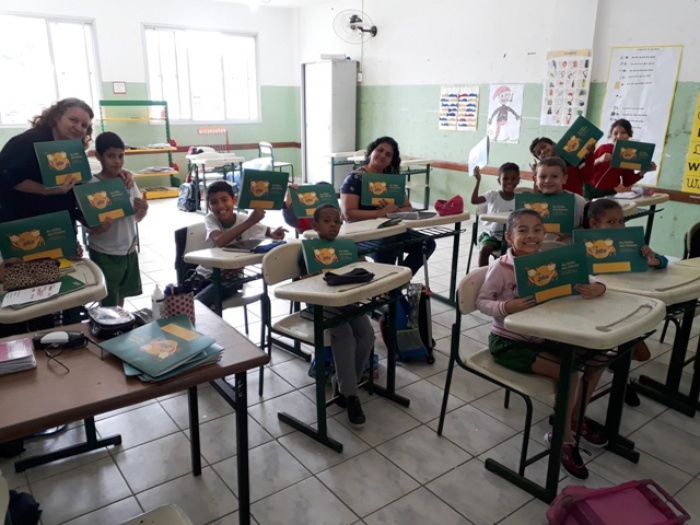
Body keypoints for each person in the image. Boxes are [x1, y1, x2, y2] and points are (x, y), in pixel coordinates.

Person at [476, 208, 608, 479]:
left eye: (537, 229)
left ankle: (573, 418)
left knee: (597, 358)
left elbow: (584, 276)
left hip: (544, 336)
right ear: (509, 237)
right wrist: (506, 307)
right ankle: (562, 438)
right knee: (570, 372)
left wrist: (598, 286)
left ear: (544, 234)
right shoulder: (501, 267)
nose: (531, 235)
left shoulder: (548, 261)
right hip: (508, 343)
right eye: (522, 230)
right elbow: (481, 302)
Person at [583, 197, 668, 406]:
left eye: (621, 221)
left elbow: (663, 262)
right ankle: (620, 377)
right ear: (594, 224)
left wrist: (653, 259)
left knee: (643, 354)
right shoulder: (583, 246)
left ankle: (617, 368)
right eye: (611, 222)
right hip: (595, 310)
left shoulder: (630, 243)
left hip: (624, 304)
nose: (618, 226)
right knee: (617, 352)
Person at [0, 97, 134, 223]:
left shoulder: (73, 148)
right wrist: (48, 190)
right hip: (26, 221)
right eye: (73, 120)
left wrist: (115, 173)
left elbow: (79, 181)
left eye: (84, 125)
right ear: (57, 117)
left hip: (60, 223)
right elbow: (8, 177)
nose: (78, 127)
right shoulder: (27, 141)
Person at [299, 204, 373, 427]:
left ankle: (343, 384)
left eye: (337, 221)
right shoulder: (308, 250)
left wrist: (361, 262)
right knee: (346, 338)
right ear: (315, 225)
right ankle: (350, 395)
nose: (333, 225)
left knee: (367, 335)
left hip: (347, 300)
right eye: (327, 221)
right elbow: (302, 283)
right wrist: (311, 275)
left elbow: (363, 268)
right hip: (322, 303)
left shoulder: (345, 247)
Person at [339, 136, 436, 276]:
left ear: (391, 160)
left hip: (390, 230)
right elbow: (348, 214)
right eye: (380, 150)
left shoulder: (391, 180)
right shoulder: (355, 178)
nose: (383, 155)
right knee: (387, 247)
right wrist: (379, 213)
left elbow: (408, 207)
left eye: (388, 154)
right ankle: (389, 283)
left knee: (427, 243)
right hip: (361, 234)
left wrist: (394, 211)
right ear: (371, 151)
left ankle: (400, 279)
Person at [195, 181, 286, 310]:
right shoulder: (211, 219)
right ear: (209, 206)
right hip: (204, 275)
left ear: (234, 200)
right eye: (214, 202)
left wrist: (274, 234)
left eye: (224, 200)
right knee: (182, 299)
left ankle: (195, 314)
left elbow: (267, 231)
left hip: (231, 279)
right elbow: (220, 241)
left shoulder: (243, 219)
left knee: (197, 304)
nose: (220, 205)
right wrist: (251, 221)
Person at [86, 132, 149, 307]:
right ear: (98, 156)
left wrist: (144, 209)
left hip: (128, 249)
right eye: (111, 156)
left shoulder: (128, 182)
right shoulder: (90, 185)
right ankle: (110, 323)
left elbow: (137, 218)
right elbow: (88, 224)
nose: (117, 161)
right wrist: (100, 227)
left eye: (120, 156)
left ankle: (120, 320)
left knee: (122, 294)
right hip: (104, 251)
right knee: (108, 299)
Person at [585, 119, 657, 200]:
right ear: (611, 135)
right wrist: (599, 160)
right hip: (588, 189)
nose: (619, 136)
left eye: (623, 132)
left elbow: (627, 182)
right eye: (615, 133)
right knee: (584, 207)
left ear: (629, 135)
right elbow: (586, 169)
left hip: (608, 192)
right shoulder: (603, 148)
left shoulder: (630, 155)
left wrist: (644, 171)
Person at [470, 163, 520, 267]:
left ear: (518, 181)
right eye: (505, 179)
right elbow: (474, 200)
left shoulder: (520, 198)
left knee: (521, 251)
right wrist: (478, 181)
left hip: (511, 236)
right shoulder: (493, 195)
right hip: (491, 235)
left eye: (513, 178)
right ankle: (484, 273)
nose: (509, 182)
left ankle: (510, 274)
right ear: (499, 181)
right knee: (484, 250)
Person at [535, 156, 587, 243]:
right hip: (539, 249)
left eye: (554, 176)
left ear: (564, 179)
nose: (548, 180)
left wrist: (569, 234)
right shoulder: (530, 204)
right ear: (535, 179)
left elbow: (587, 226)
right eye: (543, 177)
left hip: (568, 248)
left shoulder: (578, 201)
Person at [529, 137, 594, 197]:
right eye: (539, 153)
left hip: (575, 201)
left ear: (553, 144)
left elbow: (587, 177)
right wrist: (536, 174)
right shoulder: (542, 170)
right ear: (539, 159)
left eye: (544, 147)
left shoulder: (573, 158)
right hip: (553, 203)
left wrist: (589, 155)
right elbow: (539, 193)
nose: (542, 151)